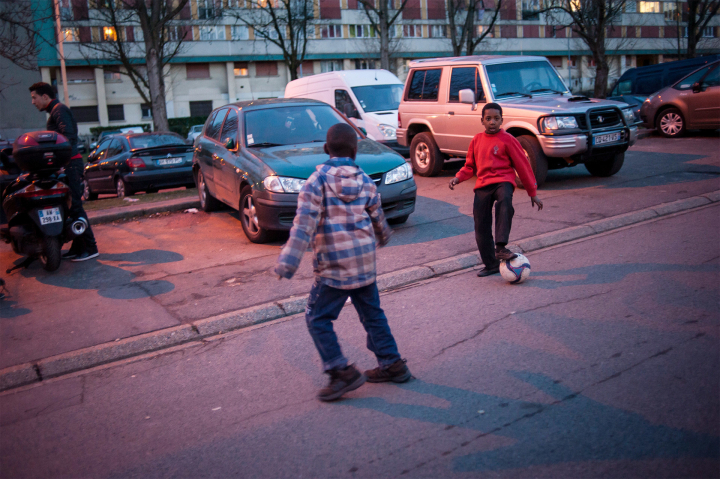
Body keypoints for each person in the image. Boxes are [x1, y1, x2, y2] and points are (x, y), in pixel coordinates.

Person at [275, 123, 411, 402]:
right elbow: (377, 216)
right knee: (372, 314)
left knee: (317, 317)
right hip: (364, 263)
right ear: (355, 150)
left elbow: (304, 226)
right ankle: (392, 363)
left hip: (334, 267)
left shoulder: (317, 182)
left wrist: (288, 262)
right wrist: (384, 236)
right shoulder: (365, 180)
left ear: (326, 150)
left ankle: (340, 371)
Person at [449, 103, 543, 277]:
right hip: (483, 185)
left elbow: (523, 166)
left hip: (503, 181)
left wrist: (533, 193)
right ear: (482, 121)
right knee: (481, 225)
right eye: (488, 119)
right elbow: (469, 166)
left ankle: (500, 247)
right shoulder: (476, 140)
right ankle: (491, 264)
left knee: (505, 201)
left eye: (496, 118)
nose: (492, 122)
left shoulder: (508, 139)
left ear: (502, 120)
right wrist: (458, 177)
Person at [29, 82, 98, 262]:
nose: (32, 102)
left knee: (74, 206)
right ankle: (78, 246)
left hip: (71, 165)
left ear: (45, 97)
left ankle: (91, 247)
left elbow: (68, 138)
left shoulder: (59, 110)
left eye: (34, 97)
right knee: (69, 207)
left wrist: (62, 162)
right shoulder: (56, 111)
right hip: (68, 165)